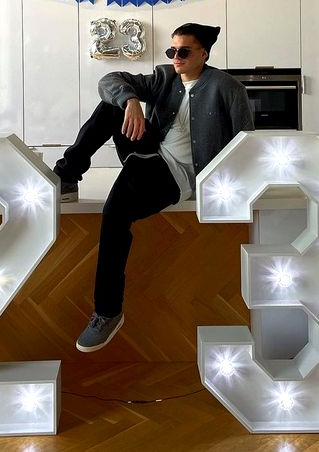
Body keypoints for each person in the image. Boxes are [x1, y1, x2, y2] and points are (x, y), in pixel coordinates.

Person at [53, 23, 253, 352]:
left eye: (184, 51)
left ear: (204, 53)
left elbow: (245, 144)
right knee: (112, 104)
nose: (176, 57)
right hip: (150, 152)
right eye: (172, 50)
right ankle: (67, 176)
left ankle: (108, 311)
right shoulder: (165, 77)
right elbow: (108, 81)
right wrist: (131, 100)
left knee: (115, 213)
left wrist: (233, 191)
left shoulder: (227, 88)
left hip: (178, 175)